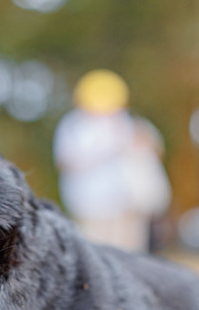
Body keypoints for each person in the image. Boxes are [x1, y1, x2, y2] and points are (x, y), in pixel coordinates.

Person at [53, 69, 171, 252]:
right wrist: (107, 151)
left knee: (129, 253)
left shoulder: (129, 122)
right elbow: (66, 161)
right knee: (96, 252)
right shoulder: (74, 126)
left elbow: (155, 150)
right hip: (90, 205)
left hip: (127, 204)